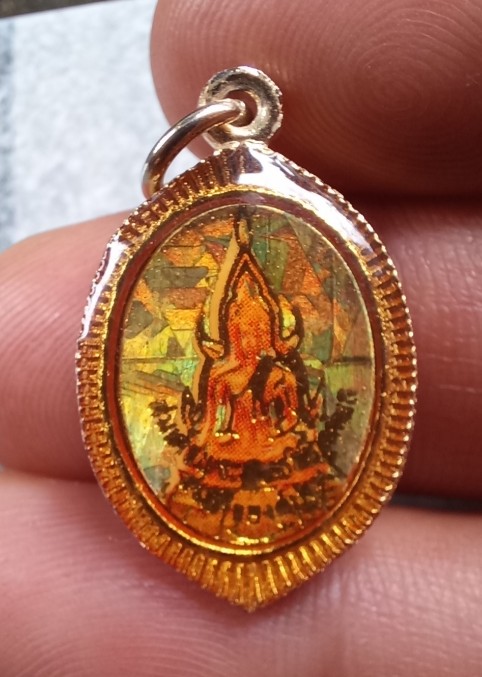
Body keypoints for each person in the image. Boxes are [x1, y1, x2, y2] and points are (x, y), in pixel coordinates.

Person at [0, 0, 481, 674]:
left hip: (286, 474)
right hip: (221, 469)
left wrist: (285, 421)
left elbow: (295, 424)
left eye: (259, 323)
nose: (249, 332)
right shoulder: (223, 374)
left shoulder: (281, 371)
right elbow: (213, 428)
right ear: (222, 328)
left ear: (279, 328)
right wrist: (225, 428)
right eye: (238, 322)